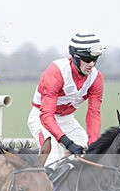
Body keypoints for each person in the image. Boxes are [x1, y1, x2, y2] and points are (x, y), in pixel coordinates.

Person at [27, 31, 106, 164]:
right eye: (87, 59)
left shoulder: (96, 78)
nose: (91, 64)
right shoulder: (56, 72)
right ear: (75, 57)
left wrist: (93, 145)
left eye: (95, 59)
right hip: (42, 118)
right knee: (52, 160)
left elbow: (93, 114)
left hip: (67, 120)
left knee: (89, 158)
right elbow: (46, 115)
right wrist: (67, 143)